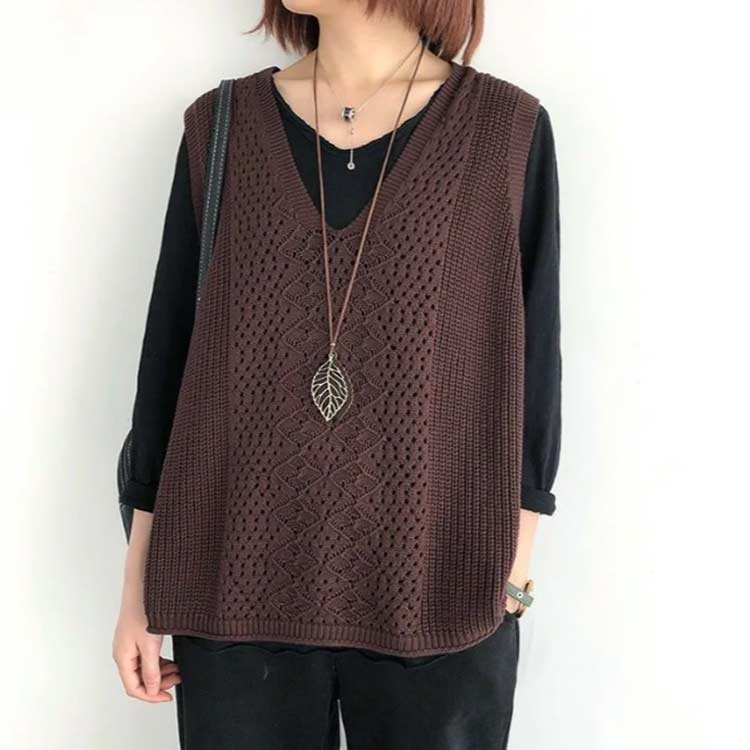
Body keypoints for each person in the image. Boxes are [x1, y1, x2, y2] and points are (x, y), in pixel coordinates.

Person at [112, 1, 562, 747]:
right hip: (234, 584)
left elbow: (532, 359)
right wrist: (139, 588)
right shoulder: (222, 128)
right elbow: (169, 366)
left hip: (439, 587)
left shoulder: (504, 131)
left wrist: (513, 568)